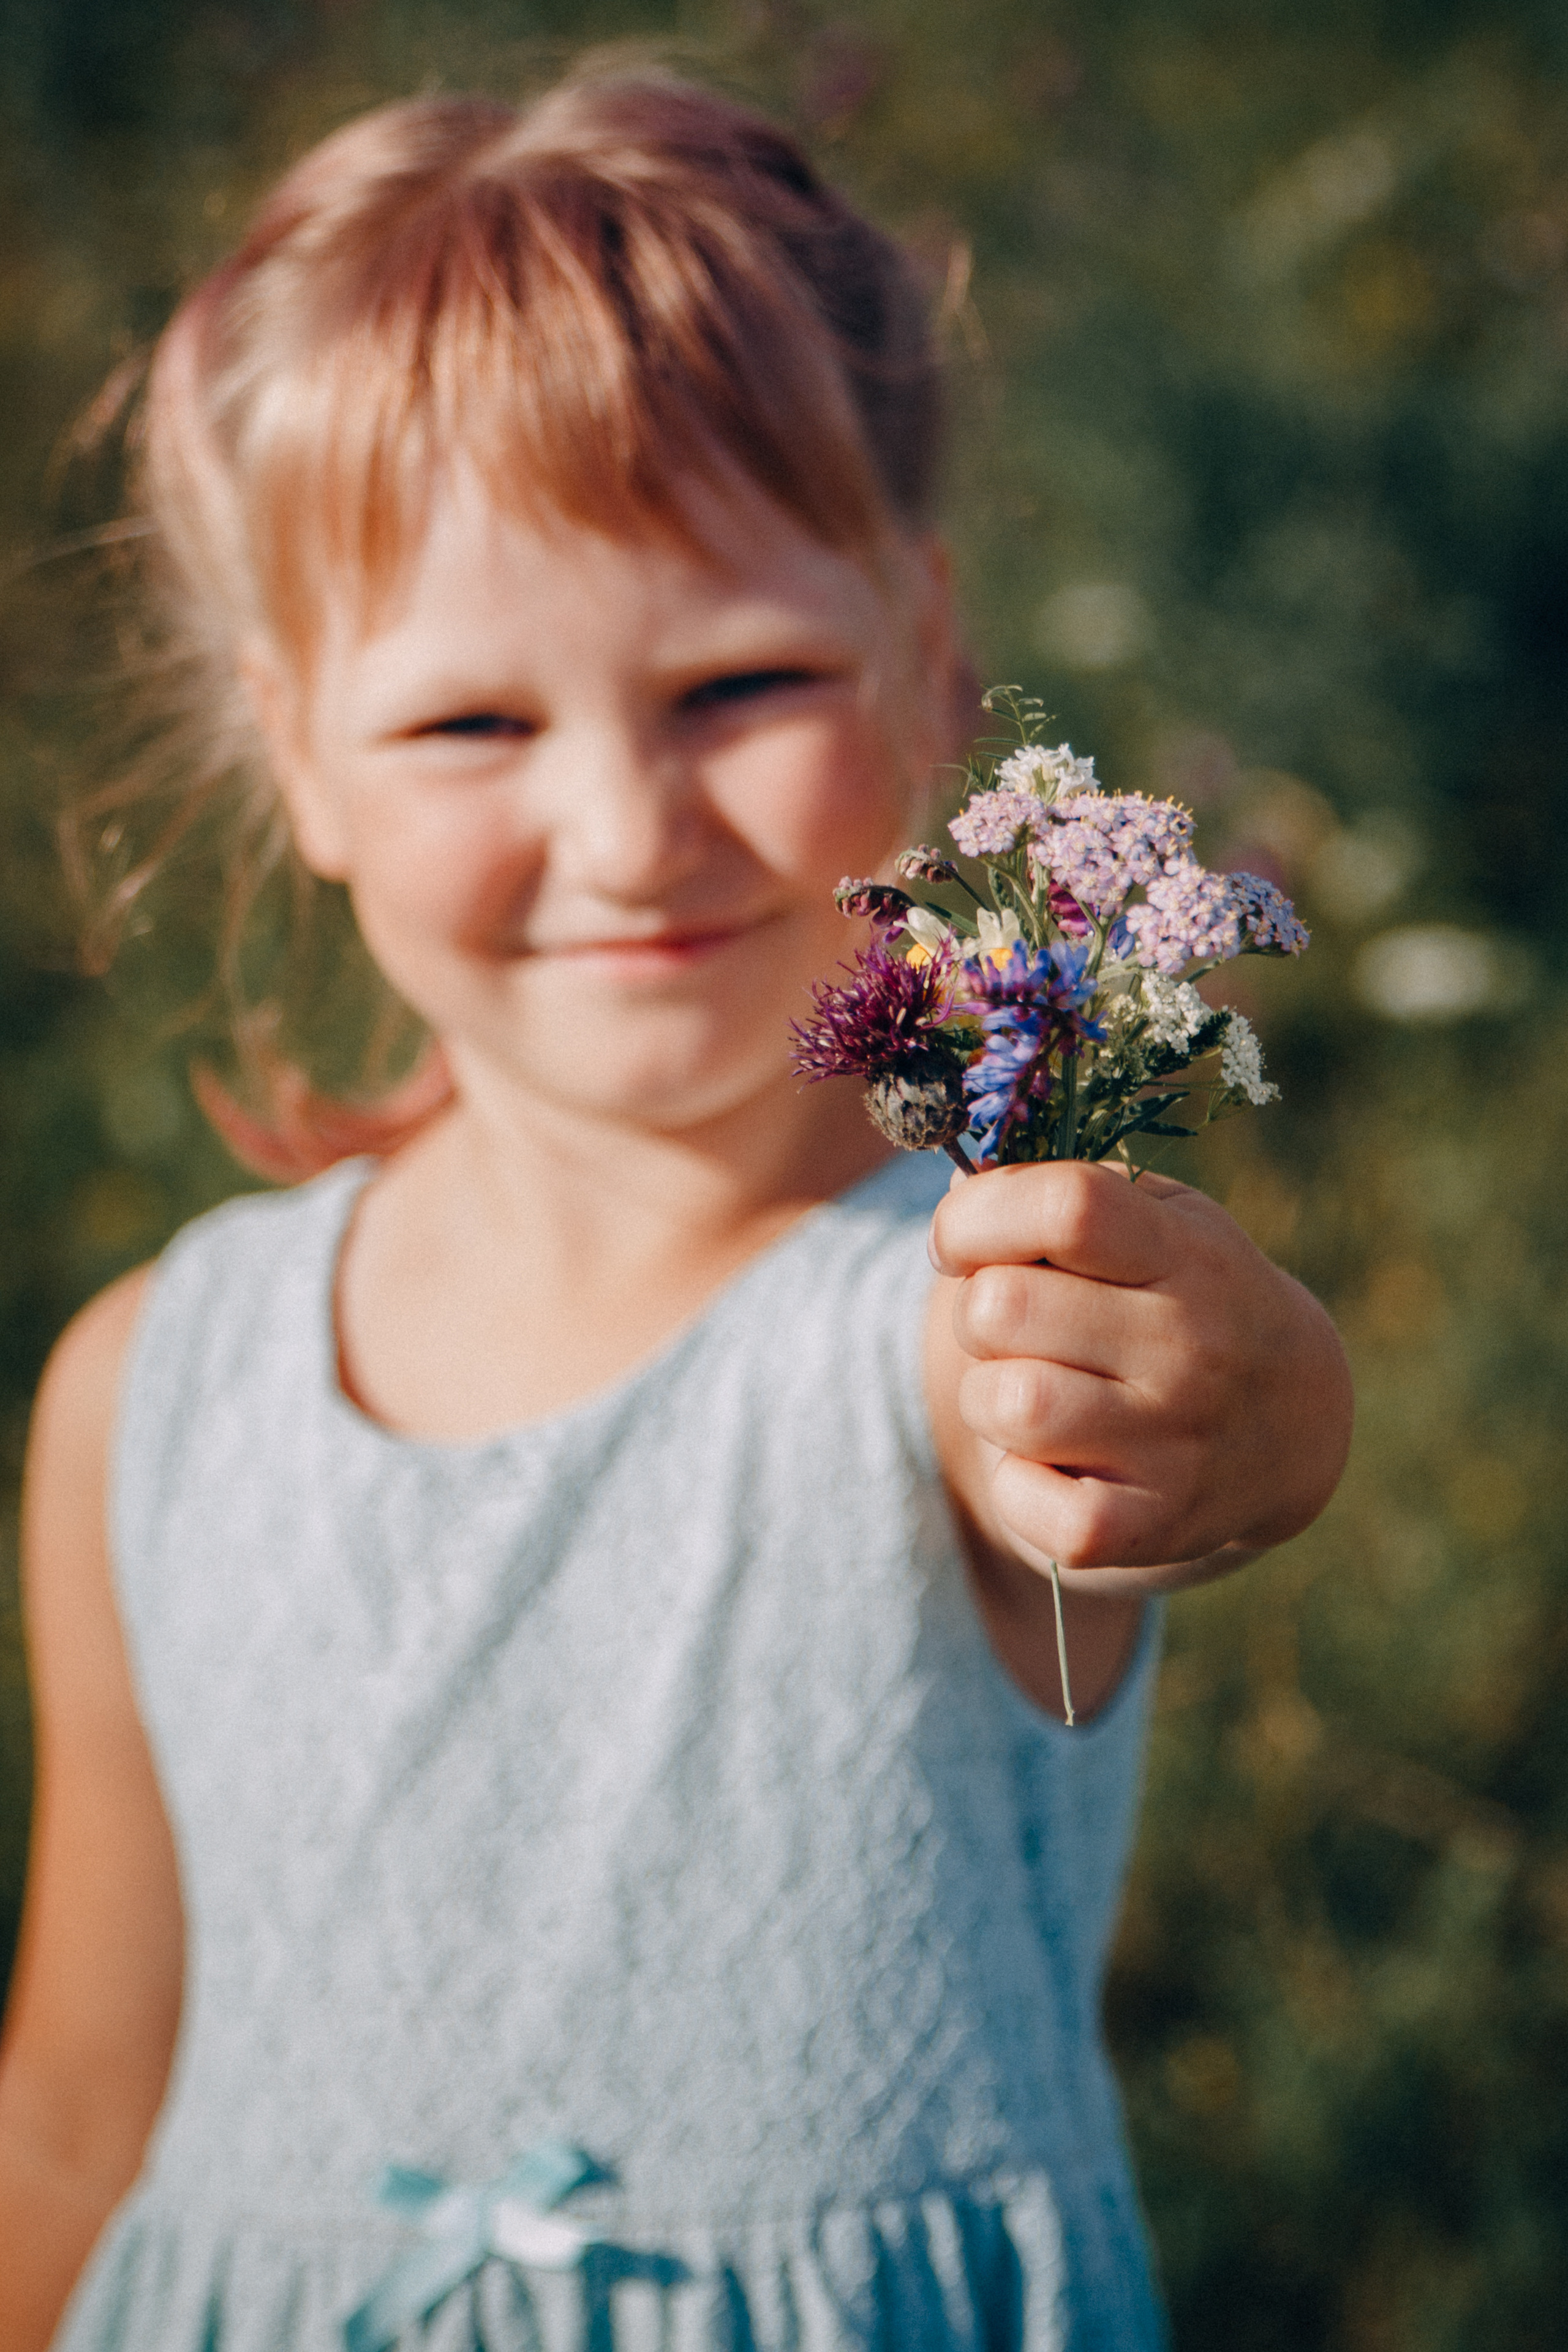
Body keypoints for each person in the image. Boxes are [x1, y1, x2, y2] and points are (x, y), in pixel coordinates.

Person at [0, 67, 1352, 2352]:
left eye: (735, 683)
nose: (627, 833)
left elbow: (1175, 1457)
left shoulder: (951, 1303)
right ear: (296, 749)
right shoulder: (150, 1385)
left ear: (927, 649)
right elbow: (72, 2097)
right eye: (467, 729)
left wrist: (1269, 1407)